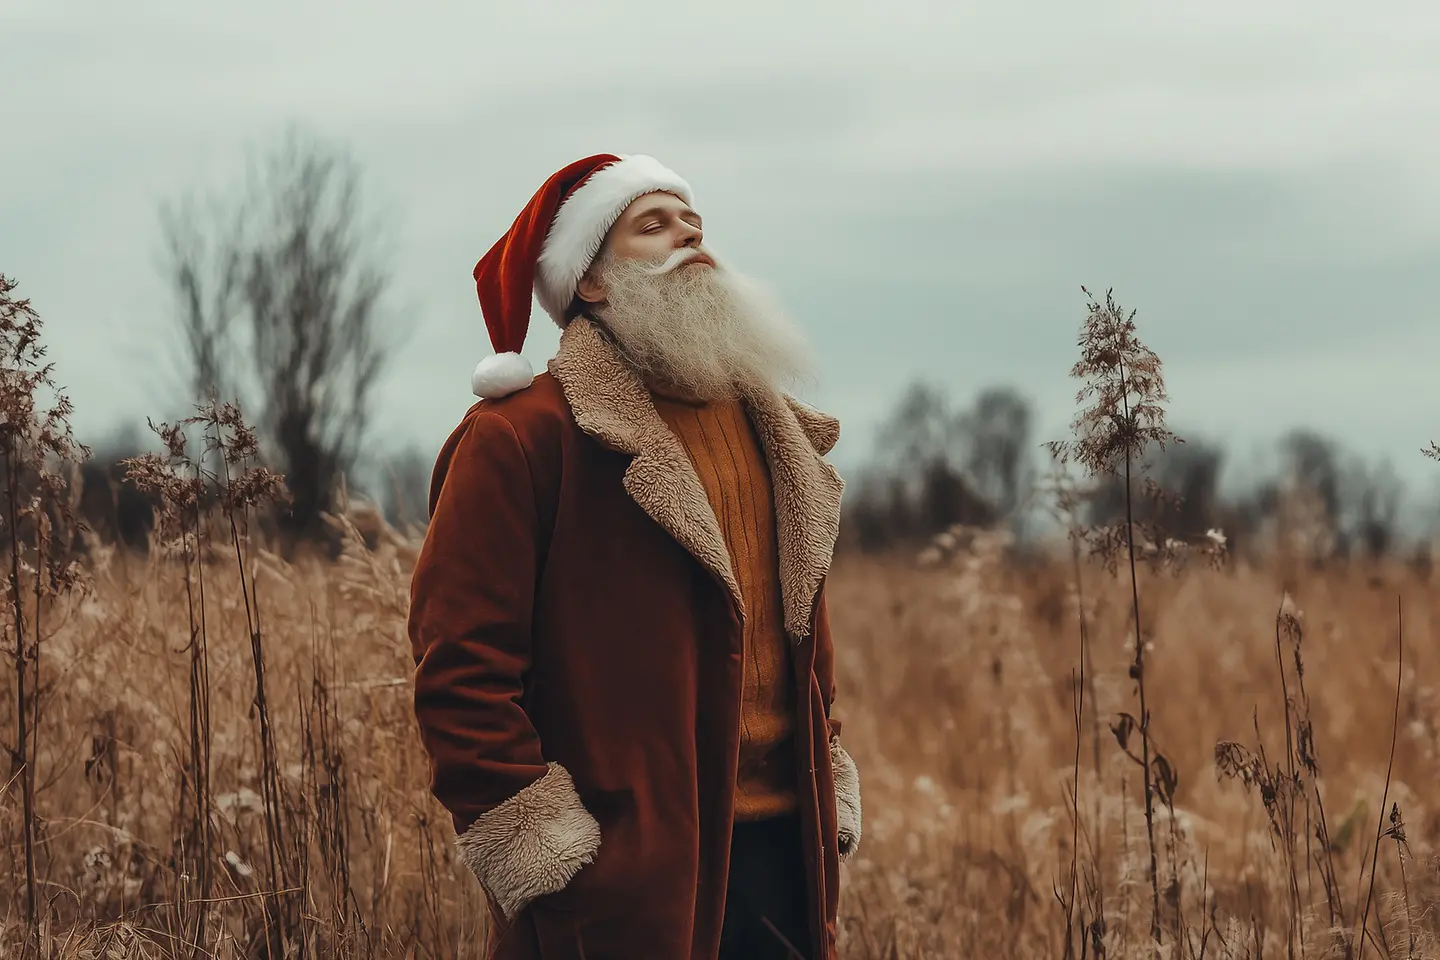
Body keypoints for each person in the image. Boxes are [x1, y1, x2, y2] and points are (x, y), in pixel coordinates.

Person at [408, 153, 862, 960]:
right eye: (652, 226)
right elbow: (461, 677)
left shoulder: (779, 436)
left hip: (787, 861)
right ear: (589, 281)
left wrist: (830, 792)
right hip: (623, 886)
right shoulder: (519, 440)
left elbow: (804, 652)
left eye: (693, 223)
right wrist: (555, 860)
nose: (690, 237)